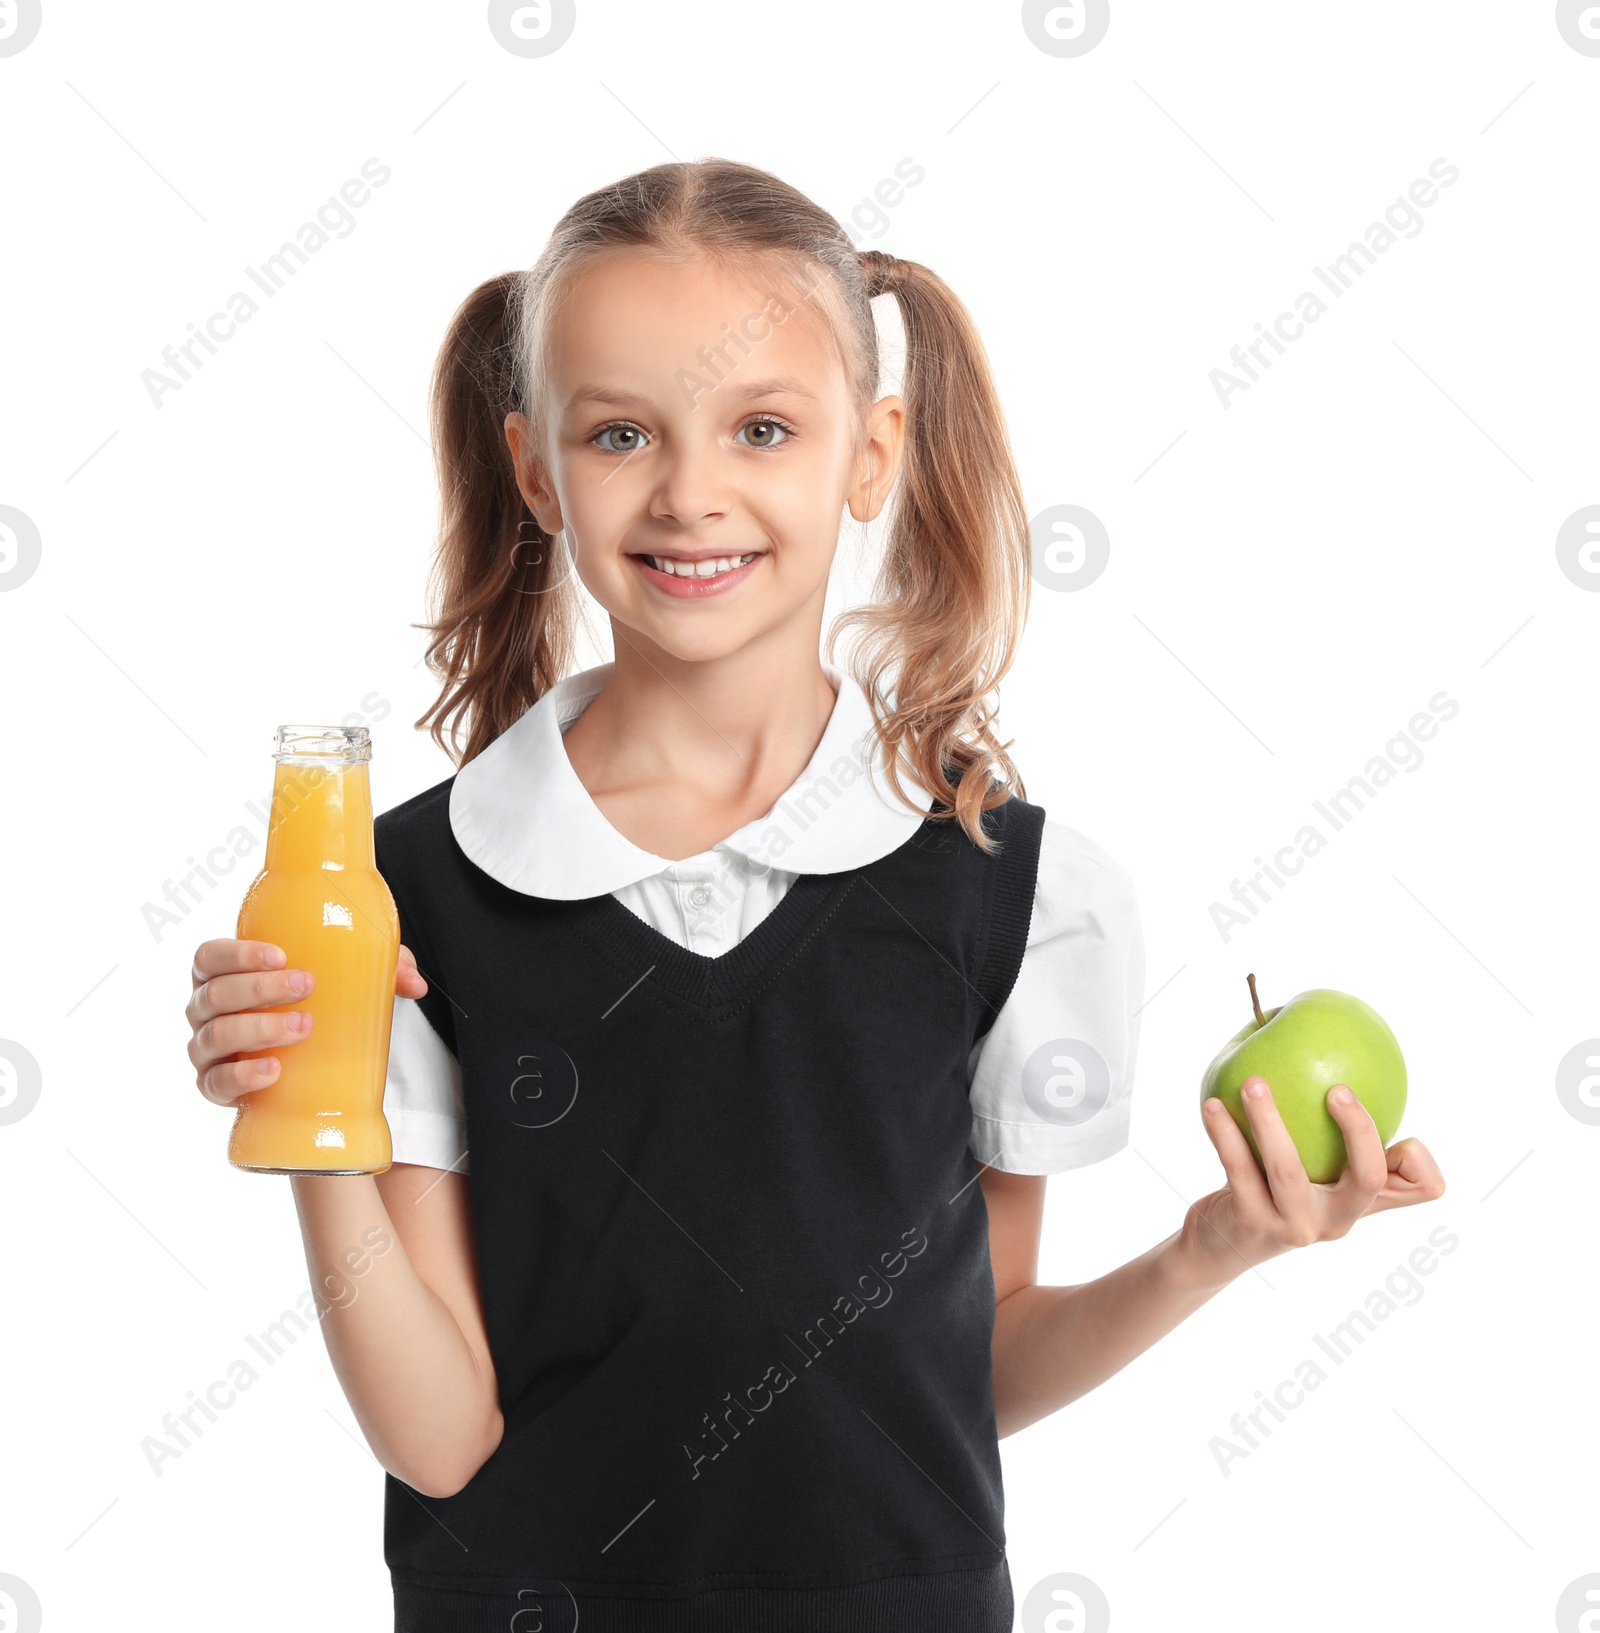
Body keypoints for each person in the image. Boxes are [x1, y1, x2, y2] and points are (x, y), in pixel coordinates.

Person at [185, 157, 1445, 1632]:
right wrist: (312, 1117)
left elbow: (972, 1367)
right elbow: (440, 1434)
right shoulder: (408, 896)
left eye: (762, 427)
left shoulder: (1009, 892)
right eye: (619, 434)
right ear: (537, 469)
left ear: (871, 450)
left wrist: (1211, 1248)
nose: (690, 493)